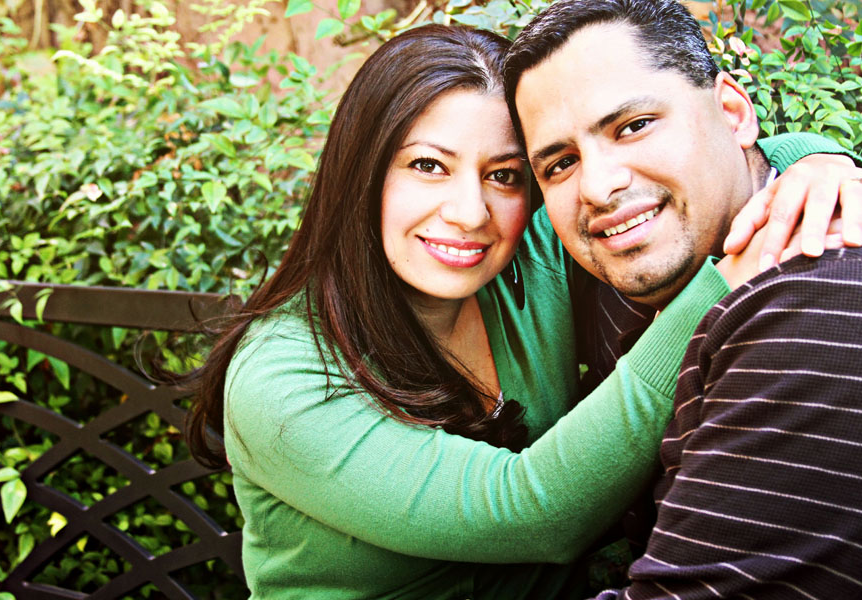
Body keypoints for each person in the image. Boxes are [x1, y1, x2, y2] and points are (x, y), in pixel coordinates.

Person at [185, 24, 857, 600]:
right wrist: (718, 288)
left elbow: (699, 169)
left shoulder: (526, 259)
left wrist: (813, 168)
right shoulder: (283, 374)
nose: (469, 213)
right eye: (428, 165)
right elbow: (529, 511)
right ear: (362, 171)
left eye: (504, 174)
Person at [504, 0, 862, 597]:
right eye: (561, 163)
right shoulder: (633, 257)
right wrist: (814, 153)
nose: (599, 187)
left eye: (634, 126)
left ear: (732, 112)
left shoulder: (816, 304)